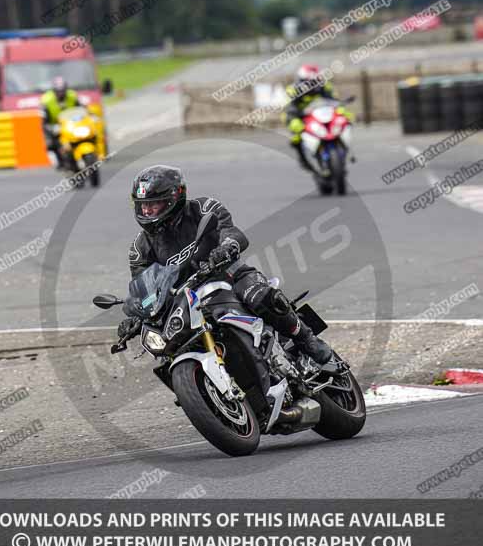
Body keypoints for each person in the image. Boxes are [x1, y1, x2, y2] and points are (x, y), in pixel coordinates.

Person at [118, 164, 334, 366]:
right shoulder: (140, 247)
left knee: (258, 295)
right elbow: (143, 287)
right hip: (185, 301)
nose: (146, 212)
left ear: (174, 198)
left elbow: (230, 232)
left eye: (153, 205)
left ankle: (306, 339)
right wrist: (136, 315)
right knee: (167, 347)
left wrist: (227, 247)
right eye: (143, 206)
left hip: (227, 276)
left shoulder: (204, 208)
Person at [284, 64, 353, 170]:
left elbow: (334, 99)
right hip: (302, 115)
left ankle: (344, 149)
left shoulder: (325, 86)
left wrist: (342, 111)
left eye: (315, 81)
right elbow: (288, 107)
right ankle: (303, 158)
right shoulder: (292, 89)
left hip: (322, 113)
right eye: (309, 82)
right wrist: (294, 117)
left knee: (344, 119)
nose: (312, 85)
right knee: (295, 132)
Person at [41, 75, 80, 166]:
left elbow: (81, 108)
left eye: (63, 90)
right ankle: (60, 161)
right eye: (58, 91)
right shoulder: (47, 100)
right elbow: (44, 119)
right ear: (54, 90)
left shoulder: (72, 95)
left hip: (72, 124)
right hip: (55, 125)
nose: (61, 93)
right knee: (51, 143)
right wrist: (49, 127)